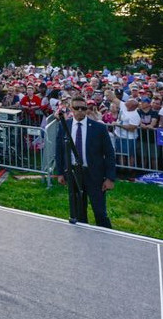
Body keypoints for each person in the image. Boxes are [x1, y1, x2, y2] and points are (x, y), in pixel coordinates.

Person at [55, 95, 116, 228]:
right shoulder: (65, 125)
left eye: (84, 108)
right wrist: (60, 173)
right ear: (71, 109)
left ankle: (108, 238)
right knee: (78, 212)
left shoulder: (98, 128)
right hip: (74, 174)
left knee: (100, 212)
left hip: (94, 174)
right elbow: (59, 150)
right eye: (77, 108)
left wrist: (110, 178)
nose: (81, 111)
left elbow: (110, 153)